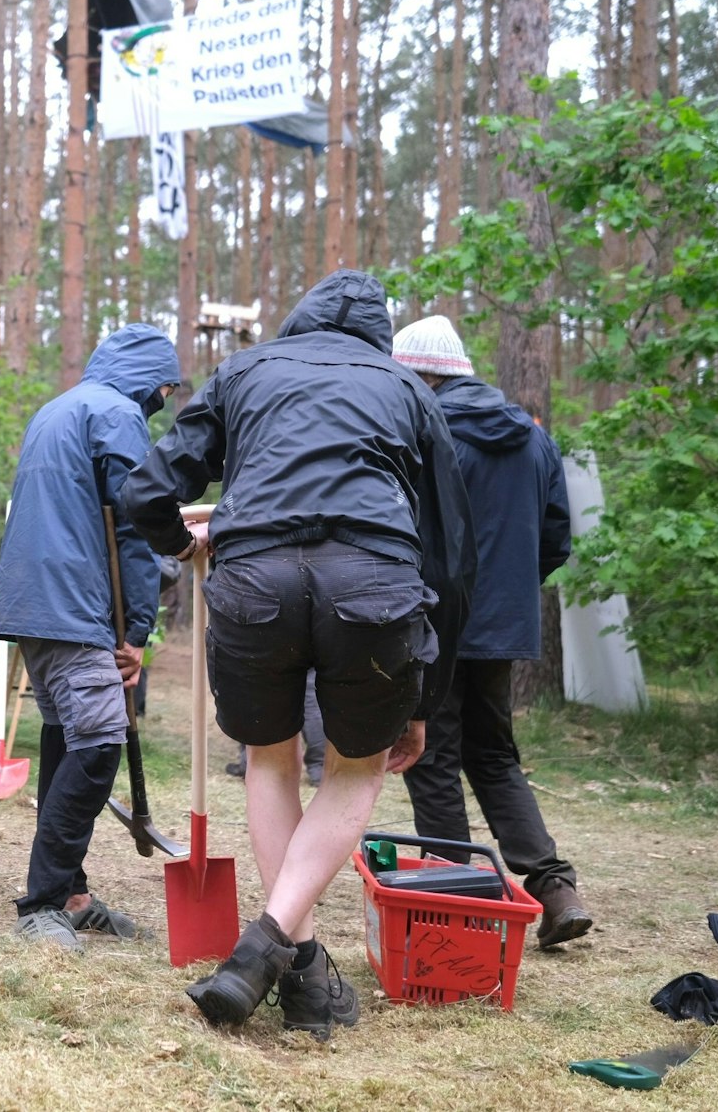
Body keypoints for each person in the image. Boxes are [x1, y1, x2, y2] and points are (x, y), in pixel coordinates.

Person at [122, 269, 474, 1038]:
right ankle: (274, 948)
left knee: (270, 757)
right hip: (374, 580)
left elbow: (147, 490)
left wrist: (182, 543)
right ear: (379, 336)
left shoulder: (243, 370)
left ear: (299, 320)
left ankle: (292, 964)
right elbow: (451, 558)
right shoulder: (407, 388)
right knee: (356, 767)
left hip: (253, 577)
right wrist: (425, 695)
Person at [391, 315, 589, 948]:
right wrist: (504, 595)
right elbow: (557, 537)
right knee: (494, 755)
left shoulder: (427, 433)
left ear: (421, 376)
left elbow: (406, 532)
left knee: (433, 760)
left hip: (434, 622)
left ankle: (458, 909)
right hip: (503, 626)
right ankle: (555, 888)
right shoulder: (533, 439)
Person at [0, 324, 180, 952]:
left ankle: (70, 893)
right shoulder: (118, 414)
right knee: (100, 743)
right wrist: (138, 631)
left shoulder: (57, 409)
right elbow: (134, 522)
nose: (163, 402)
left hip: (30, 598)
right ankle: (42, 901)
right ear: (150, 381)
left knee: (65, 736)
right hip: (74, 604)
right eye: (165, 390)